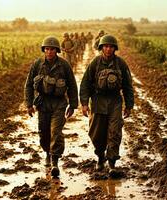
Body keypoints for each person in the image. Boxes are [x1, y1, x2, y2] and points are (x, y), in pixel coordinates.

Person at [80, 35, 134, 175]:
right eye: (105, 46)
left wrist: (129, 105)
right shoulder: (95, 63)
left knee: (114, 132)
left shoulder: (121, 64)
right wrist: (84, 103)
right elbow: (85, 83)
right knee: (96, 134)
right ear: (101, 48)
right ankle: (100, 157)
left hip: (115, 102)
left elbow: (128, 86)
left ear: (115, 48)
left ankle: (112, 163)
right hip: (98, 101)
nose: (108, 49)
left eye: (111, 46)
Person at [24, 36, 78, 177]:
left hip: (59, 103)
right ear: (44, 50)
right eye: (47, 49)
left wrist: (73, 105)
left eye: (52, 49)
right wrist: (29, 104)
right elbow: (29, 85)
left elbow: (72, 85)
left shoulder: (64, 65)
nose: (49, 52)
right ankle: (47, 152)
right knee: (44, 132)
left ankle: (55, 161)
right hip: (42, 103)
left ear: (57, 50)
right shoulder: (37, 64)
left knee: (56, 132)